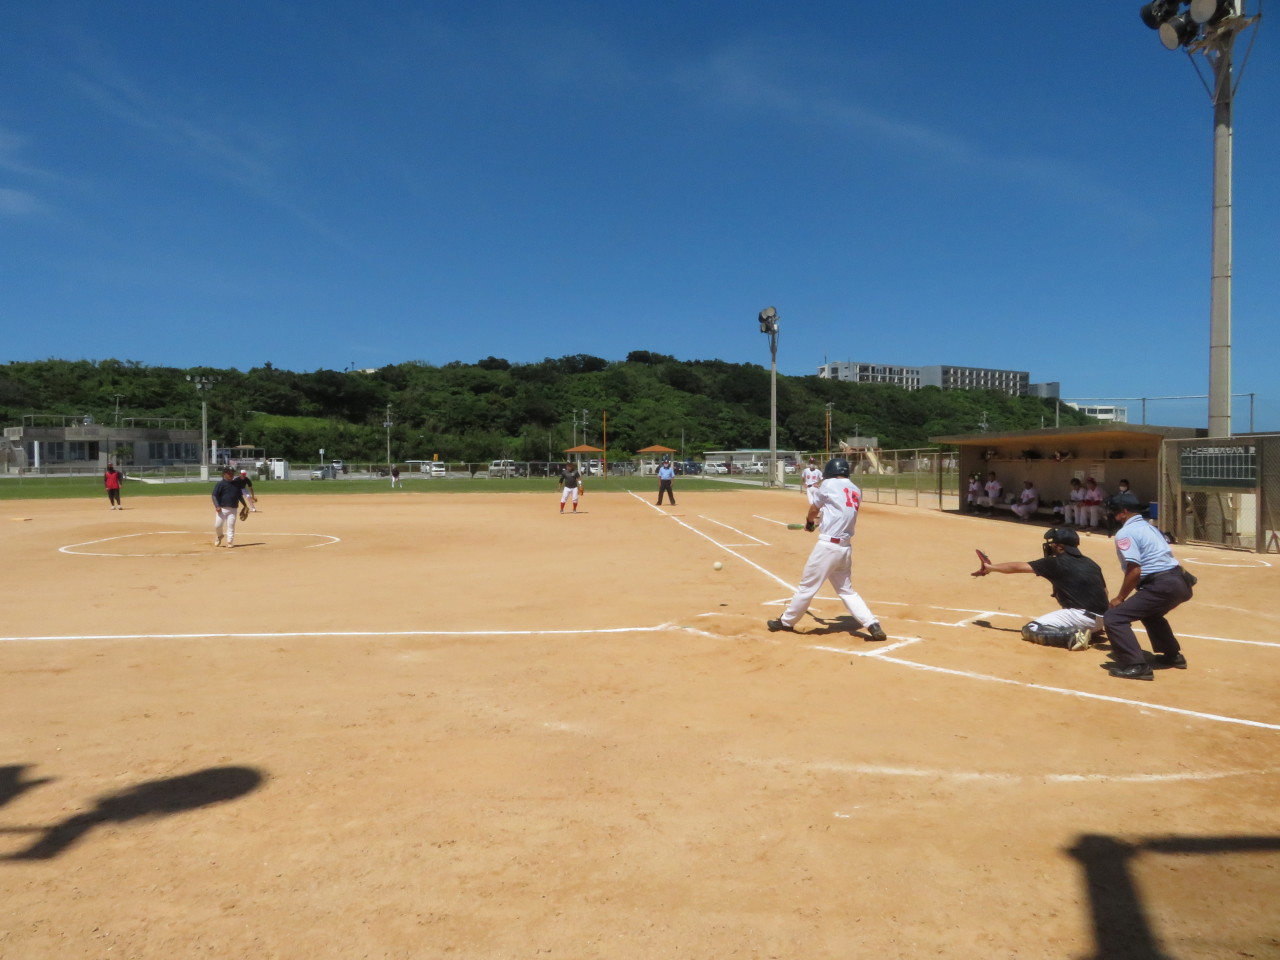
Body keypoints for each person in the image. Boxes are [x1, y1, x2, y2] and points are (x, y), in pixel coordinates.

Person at [767, 457, 887, 640]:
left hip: (827, 547)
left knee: (806, 587)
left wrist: (809, 522)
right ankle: (872, 624)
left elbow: (814, 509)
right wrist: (819, 522)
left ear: (830, 472)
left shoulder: (829, 484)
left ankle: (786, 622)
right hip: (844, 548)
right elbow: (838, 513)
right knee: (846, 591)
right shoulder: (855, 489)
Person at [1101, 493, 1195, 681]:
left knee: (1114, 617)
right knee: (1150, 613)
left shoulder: (1126, 533)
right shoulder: (1150, 527)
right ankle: (1173, 656)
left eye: (1115, 511)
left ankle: (1136, 666)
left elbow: (1134, 570)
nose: (1113, 515)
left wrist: (1120, 598)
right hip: (1180, 582)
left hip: (1162, 585)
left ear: (1124, 512)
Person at [973, 527, 1109, 651]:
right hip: (1102, 620)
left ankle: (1073, 637)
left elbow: (1017, 567)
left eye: (1053, 544)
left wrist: (990, 568)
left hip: (1080, 617)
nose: (1050, 546)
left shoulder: (1056, 562)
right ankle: (1089, 630)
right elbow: (1105, 593)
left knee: (1032, 629)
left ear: (1061, 547)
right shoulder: (1092, 564)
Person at [211, 468, 248, 547]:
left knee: (231, 526)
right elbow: (214, 495)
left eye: (232, 473)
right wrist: (217, 506)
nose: (231, 475)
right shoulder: (220, 484)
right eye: (229, 473)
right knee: (218, 526)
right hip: (222, 509)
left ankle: (230, 542)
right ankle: (220, 536)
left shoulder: (236, 484)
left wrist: (245, 505)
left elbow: (239, 496)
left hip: (233, 509)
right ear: (224, 474)